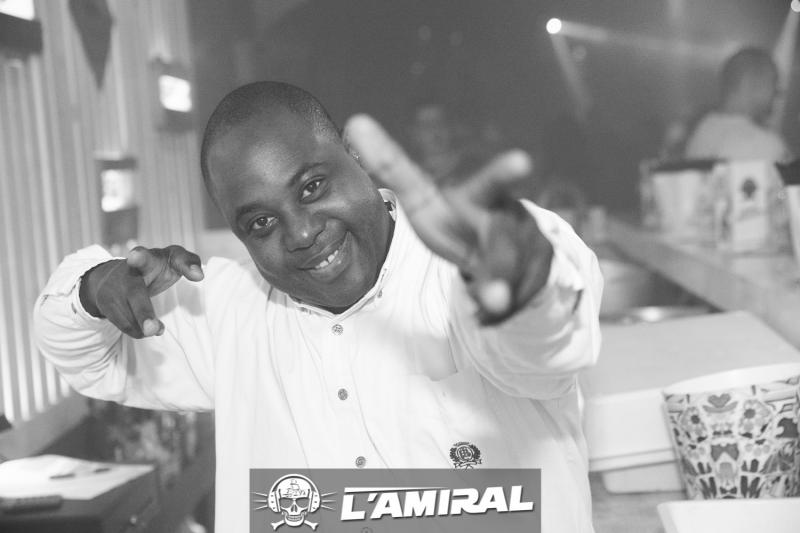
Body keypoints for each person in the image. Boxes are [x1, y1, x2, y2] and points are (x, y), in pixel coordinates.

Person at [33, 82, 602, 532]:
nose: (302, 233)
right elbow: (82, 354)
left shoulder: (469, 263)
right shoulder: (230, 314)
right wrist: (93, 289)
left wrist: (523, 289)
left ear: (354, 156)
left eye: (312, 187)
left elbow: (549, 349)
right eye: (261, 223)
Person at [684, 46, 792, 161]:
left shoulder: (703, 127)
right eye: (773, 84)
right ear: (749, 84)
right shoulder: (764, 144)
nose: (777, 94)